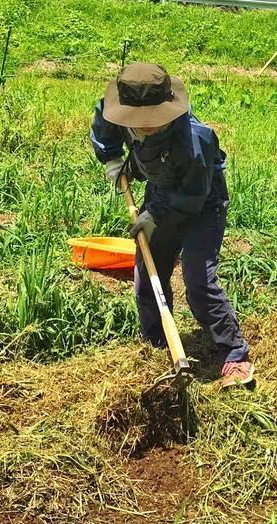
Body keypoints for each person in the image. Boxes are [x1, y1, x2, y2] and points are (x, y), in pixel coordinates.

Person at [90, 62, 253, 389]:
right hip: (160, 193)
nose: (144, 127)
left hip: (202, 203)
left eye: (151, 120)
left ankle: (234, 353)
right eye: (137, 121)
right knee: (149, 272)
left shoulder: (194, 139)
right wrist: (111, 160)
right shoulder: (117, 110)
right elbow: (104, 127)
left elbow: (193, 194)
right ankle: (156, 341)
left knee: (198, 280)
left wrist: (153, 216)